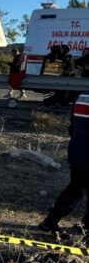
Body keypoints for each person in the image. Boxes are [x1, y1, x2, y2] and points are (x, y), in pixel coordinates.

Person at [39, 91, 89, 238]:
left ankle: (50, 221)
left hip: (77, 150)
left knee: (75, 188)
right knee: (76, 189)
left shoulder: (82, 96)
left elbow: (72, 125)